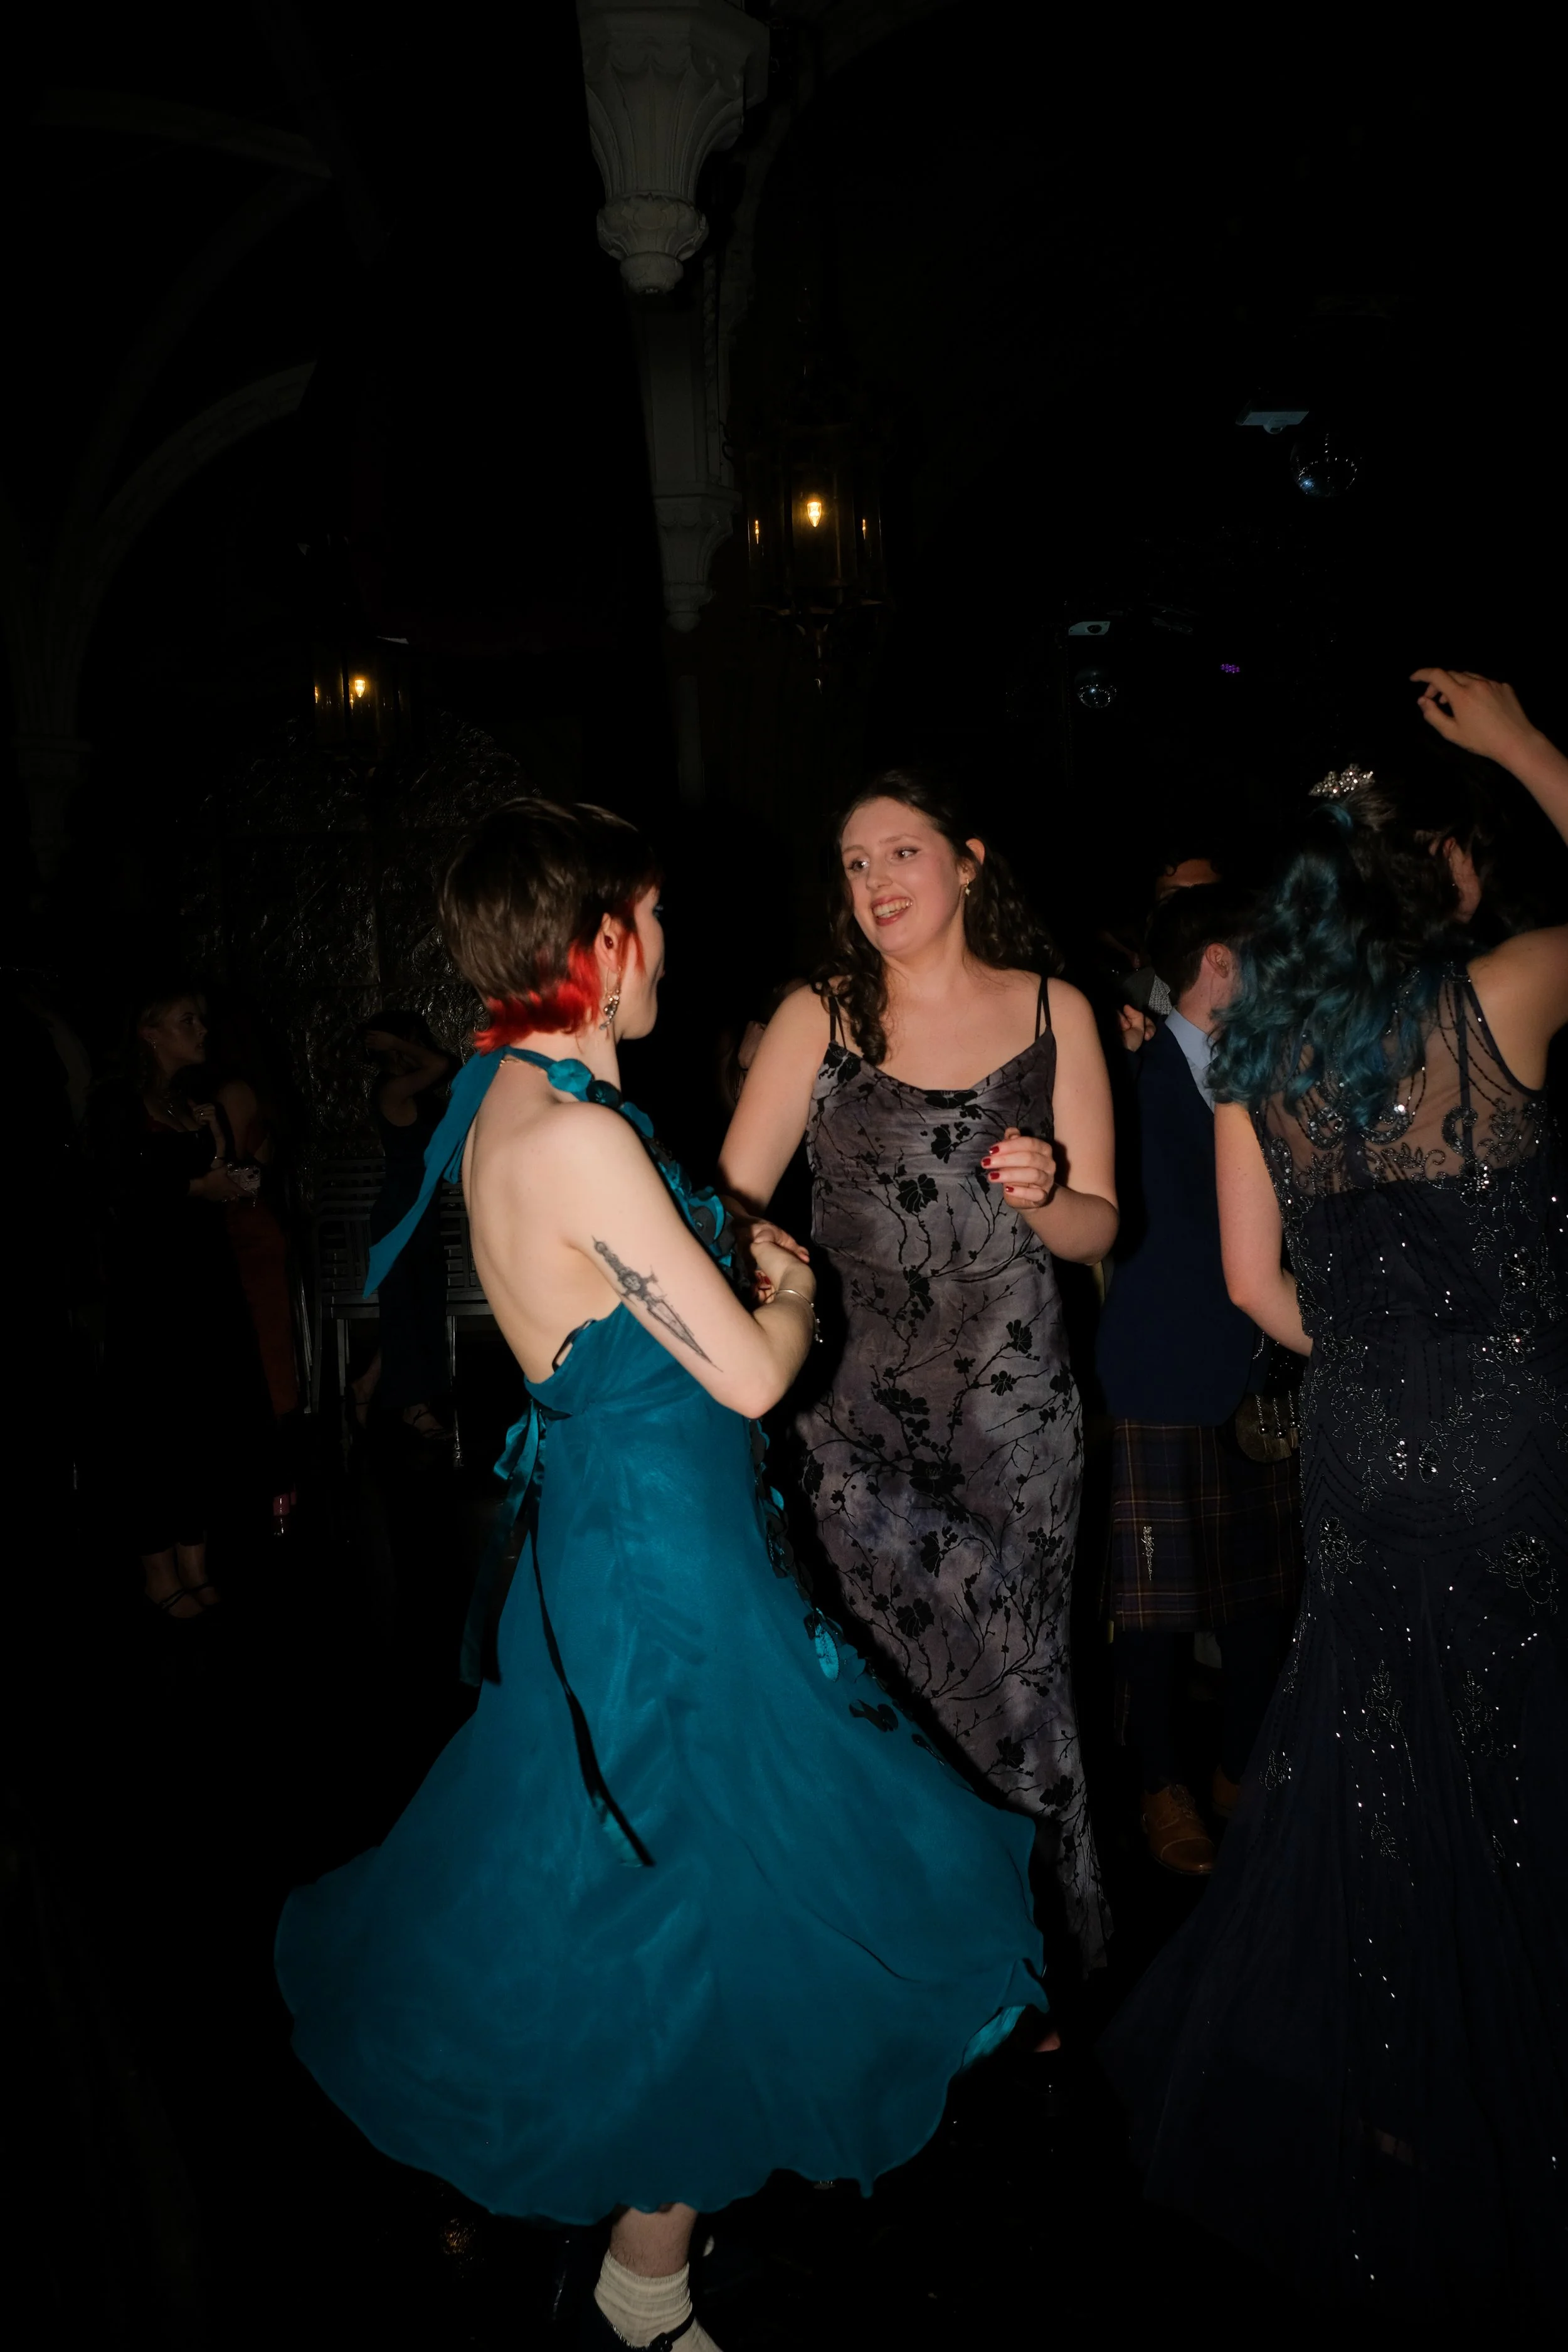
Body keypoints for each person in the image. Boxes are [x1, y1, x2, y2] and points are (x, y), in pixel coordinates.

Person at [277, 799, 1046, 2352]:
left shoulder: (508, 1094)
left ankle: (644, 2263)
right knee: (720, 1869)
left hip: (615, 1533)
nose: (669, 947)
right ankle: (642, 2273)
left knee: (667, 1871)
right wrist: (794, 1293)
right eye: (653, 916)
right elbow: (755, 1382)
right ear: (603, 940)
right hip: (660, 1559)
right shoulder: (573, 1131)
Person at [1100, 672, 1568, 2310]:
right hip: (1513, 1419)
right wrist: (1517, 748)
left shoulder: (1257, 1063)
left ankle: (1392, 2107)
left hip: (1363, 1437)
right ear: (1422, 879)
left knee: (1376, 1761)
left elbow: (1250, 1287)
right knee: (1516, 1747)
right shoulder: (1503, 993)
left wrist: (1367, 1349)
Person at [717, 770, 1120, 1971]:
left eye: (901, 853)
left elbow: (1103, 1226)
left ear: (968, 861)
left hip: (1015, 1419)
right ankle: (910, 1965)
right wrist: (763, 1252)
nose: (877, 882)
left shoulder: (1056, 1011)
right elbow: (727, 1200)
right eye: (855, 863)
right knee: (891, 1696)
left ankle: (1034, 1960)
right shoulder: (819, 1016)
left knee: (1019, 1687)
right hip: (854, 1427)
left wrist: (1051, 1197)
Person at [1097, 883, 1304, 1875]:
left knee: (1262, 1599)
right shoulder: (1126, 1075)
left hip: (1262, 1374)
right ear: (1219, 961)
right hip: (1161, 1367)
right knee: (1154, 1614)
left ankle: (1241, 1770)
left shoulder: (1272, 1073)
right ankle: (1160, 1791)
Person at [93, 987, 275, 1617]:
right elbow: (114, 1186)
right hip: (152, 1286)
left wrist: (215, 1150)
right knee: (153, 1424)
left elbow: (225, 1176)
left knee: (203, 1416)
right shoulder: (116, 1102)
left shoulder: (186, 1102)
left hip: (203, 1276)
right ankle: (155, 1569)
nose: (200, 1030)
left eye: (200, 1018)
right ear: (147, 1032)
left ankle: (195, 1561)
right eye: (185, 1020)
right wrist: (197, 1181)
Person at [347, 1011, 456, 1441]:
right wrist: (396, 1044)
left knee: (417, 1306)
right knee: (410, 1307)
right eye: (415, 1041)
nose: (423, 1048)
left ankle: (367, 1384)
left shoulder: (420, 1095)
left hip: (419, 1212)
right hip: (400, 1214)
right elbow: (441, 1064)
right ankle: (415, 1408)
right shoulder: (392, 1090)